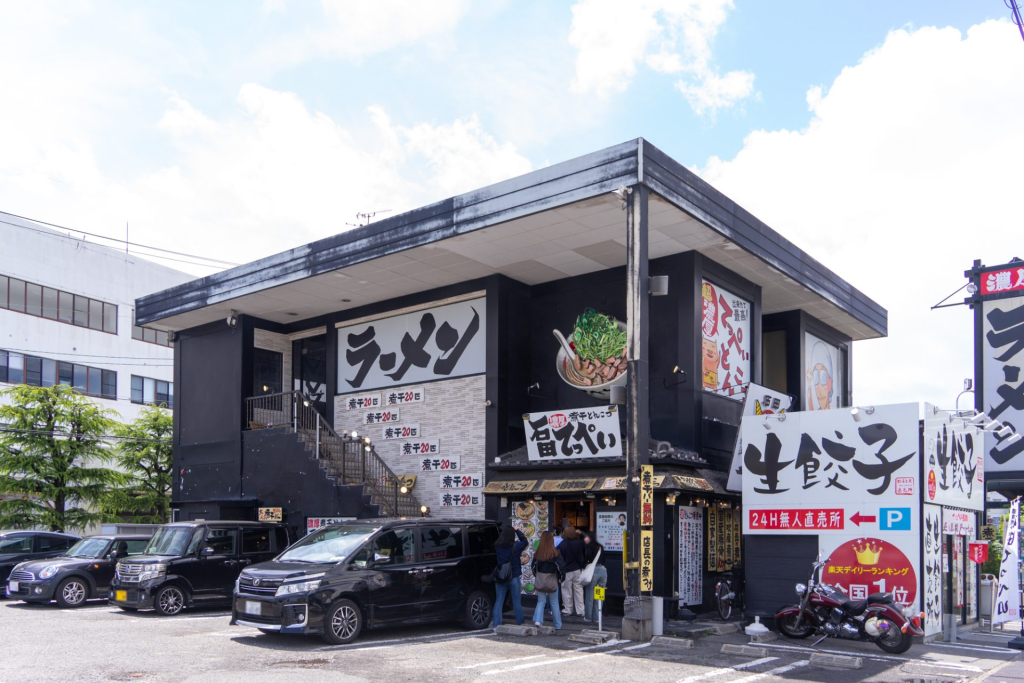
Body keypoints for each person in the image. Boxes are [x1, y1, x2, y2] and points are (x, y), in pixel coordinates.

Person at [492, 525, 528, 629]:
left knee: (499, 601)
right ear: (512, 535)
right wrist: (518, 530)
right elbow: (525, 541)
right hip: (514, 576)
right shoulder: (516, 546)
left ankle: (496, 625)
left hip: (501, 576)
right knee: (516, 602)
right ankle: (520, 624)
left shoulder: (497, 545)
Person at [530, 531, 563, 630]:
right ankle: (557, 624)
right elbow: (561, 568)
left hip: (541, 579)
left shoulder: (538, 554)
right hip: (552, 579)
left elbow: (533, 567)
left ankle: (538, 620)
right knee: (554, 602)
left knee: (541, 601)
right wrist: (560, 579)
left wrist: (537, 576)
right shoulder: (556, 553)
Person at [559, 525, 587, 617]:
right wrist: (582, 533)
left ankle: (568, 609)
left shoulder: (562, 544)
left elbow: (558, 556)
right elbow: (587, 542)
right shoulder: (579, 543)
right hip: (577, 570)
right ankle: (581, 611)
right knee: (579, 591)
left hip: (566, 571)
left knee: (567, 591)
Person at [582, 531, 607, 623]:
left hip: (594, 571)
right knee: (599, 595)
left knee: (590, 595)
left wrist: (583, 565)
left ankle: (588, 617)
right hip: (603, 571)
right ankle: (597, 617)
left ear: (590, 538)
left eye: (586, 537)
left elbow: (587, 558)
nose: (585, 539)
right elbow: (604, 559)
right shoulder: (600, 546)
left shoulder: (589, 547)